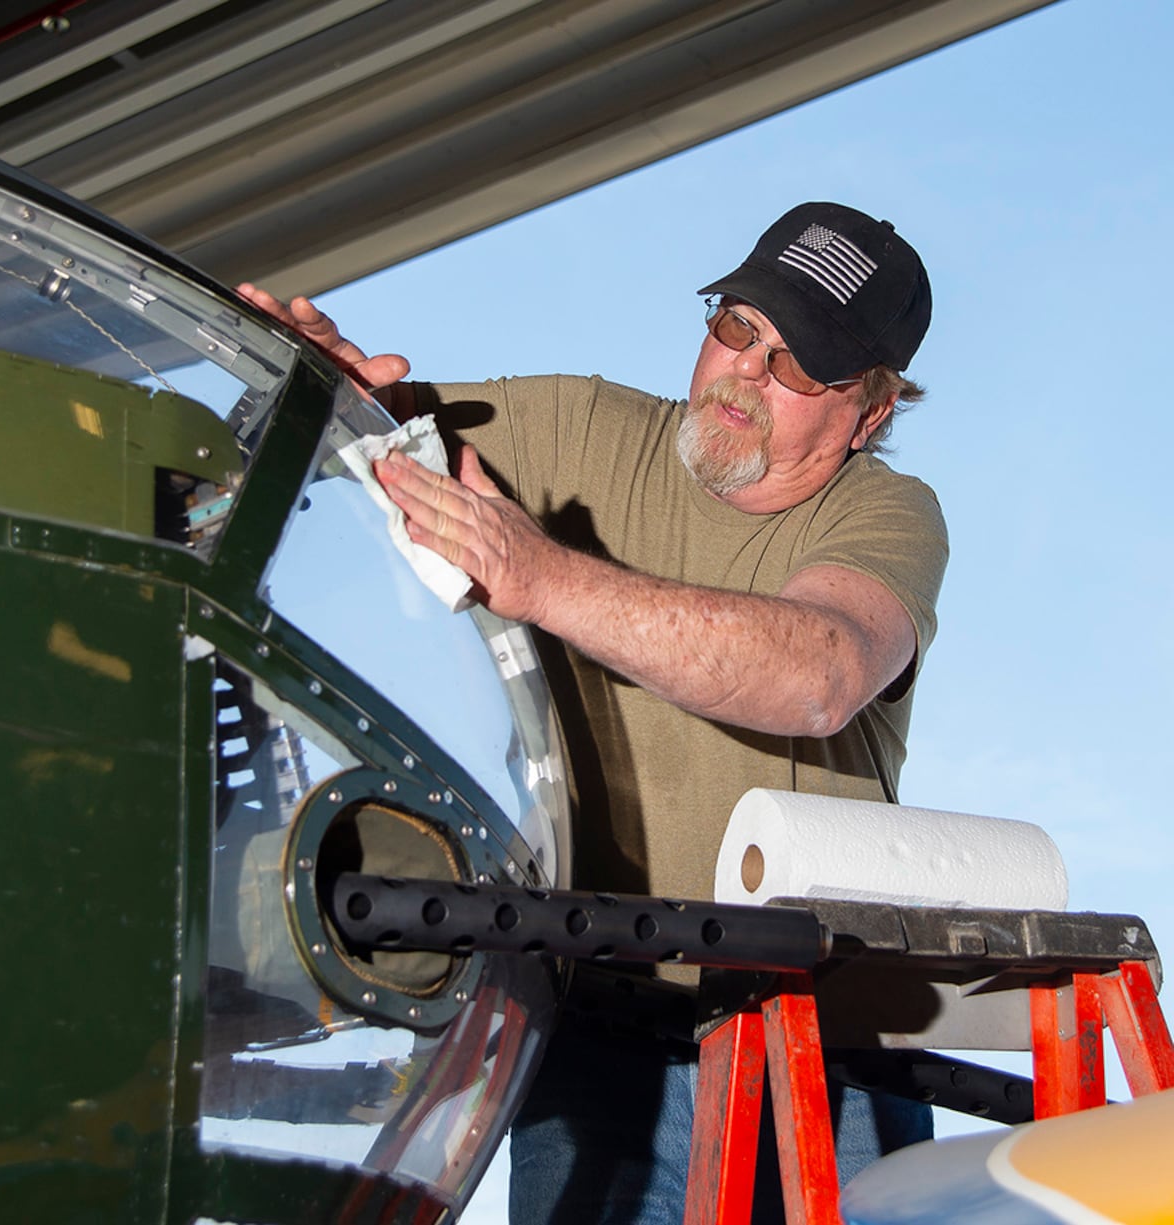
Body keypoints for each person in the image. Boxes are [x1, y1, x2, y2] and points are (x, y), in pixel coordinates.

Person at [239, 200, 947, 1224]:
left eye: (801, 365)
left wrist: (539, 576)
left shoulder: (884, 514)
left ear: (869, 413)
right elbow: (375, 432)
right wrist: (322, 380)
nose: (747, 371)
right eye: (738, 326)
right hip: (605, 1022)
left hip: (819, 1045)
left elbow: (820, 671)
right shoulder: (574, 427)